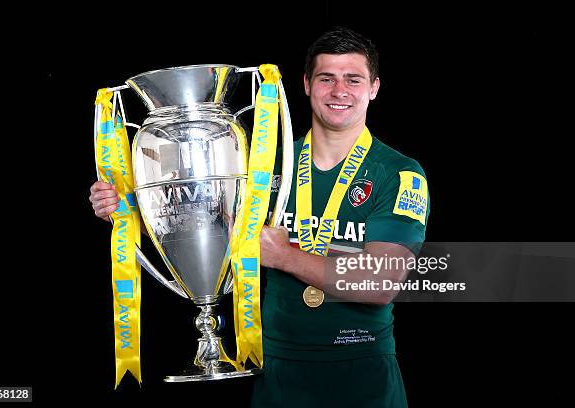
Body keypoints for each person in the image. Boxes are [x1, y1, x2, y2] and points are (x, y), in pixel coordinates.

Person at [89, 26, 429, 407]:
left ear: (374, 87)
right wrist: (132, 209)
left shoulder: (398, 173)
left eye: (353, 79)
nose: (339, 91)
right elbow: (208, 224)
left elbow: (380, 283)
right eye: (326, 78)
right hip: (278, 374)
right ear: (305, 84)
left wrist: (286, 257)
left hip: (362, 373)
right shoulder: (266, 166)